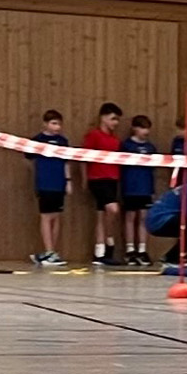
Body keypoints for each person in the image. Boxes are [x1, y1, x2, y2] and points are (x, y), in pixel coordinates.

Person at [82, 101, 124, 266]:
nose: (116, 123)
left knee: (101, 214)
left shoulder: (115, 140)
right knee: (113, 209)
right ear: (103, 118)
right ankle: (109, 242)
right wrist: (84, 178)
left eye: (117, 120)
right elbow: (83, 158)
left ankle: (100, 253)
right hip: (98, 179)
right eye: (113, 119)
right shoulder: (94, 136)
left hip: (112, 179)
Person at [30, 109, 71, 266]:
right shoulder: (38, 140)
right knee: (46, 217)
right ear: (45, 124)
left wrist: (68, 180)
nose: (57, 127)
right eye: (54, 123)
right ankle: (49, 251)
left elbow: (66, 162)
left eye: (59, 124)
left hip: (59, 183)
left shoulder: (63, 141)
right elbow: (28, 158)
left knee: (57, 217)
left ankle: (52, 252)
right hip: (45, 184)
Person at [119, 114, 158, 266]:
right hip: (130, 187)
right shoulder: (126, 145)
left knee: (143, 217)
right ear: (134, 128)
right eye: (142, 128)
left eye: (147, 128)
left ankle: (142, 250)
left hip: (145, 187)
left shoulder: (150, 148)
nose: (145, 131)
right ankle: (130, 250)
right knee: (130, 217)